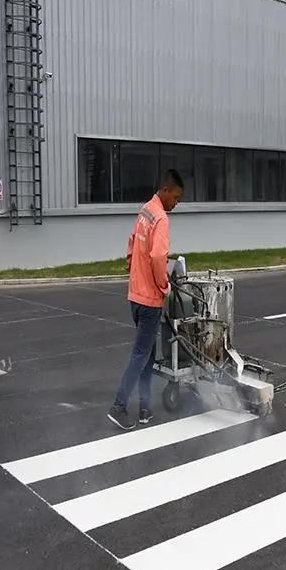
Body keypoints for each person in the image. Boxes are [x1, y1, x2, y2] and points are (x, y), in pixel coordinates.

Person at [107, 169, 184, 430]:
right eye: (176, 197)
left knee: (149, 355)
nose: (176, 203)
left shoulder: (145, 212)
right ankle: (119, 407)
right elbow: (157, 257)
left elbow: (131, 248)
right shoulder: (160, 218)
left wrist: (135, 273)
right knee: (140, 355)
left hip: (135, 296)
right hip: (150, 300)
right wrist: (163, 286)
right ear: (165, 190)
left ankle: (145, 409)